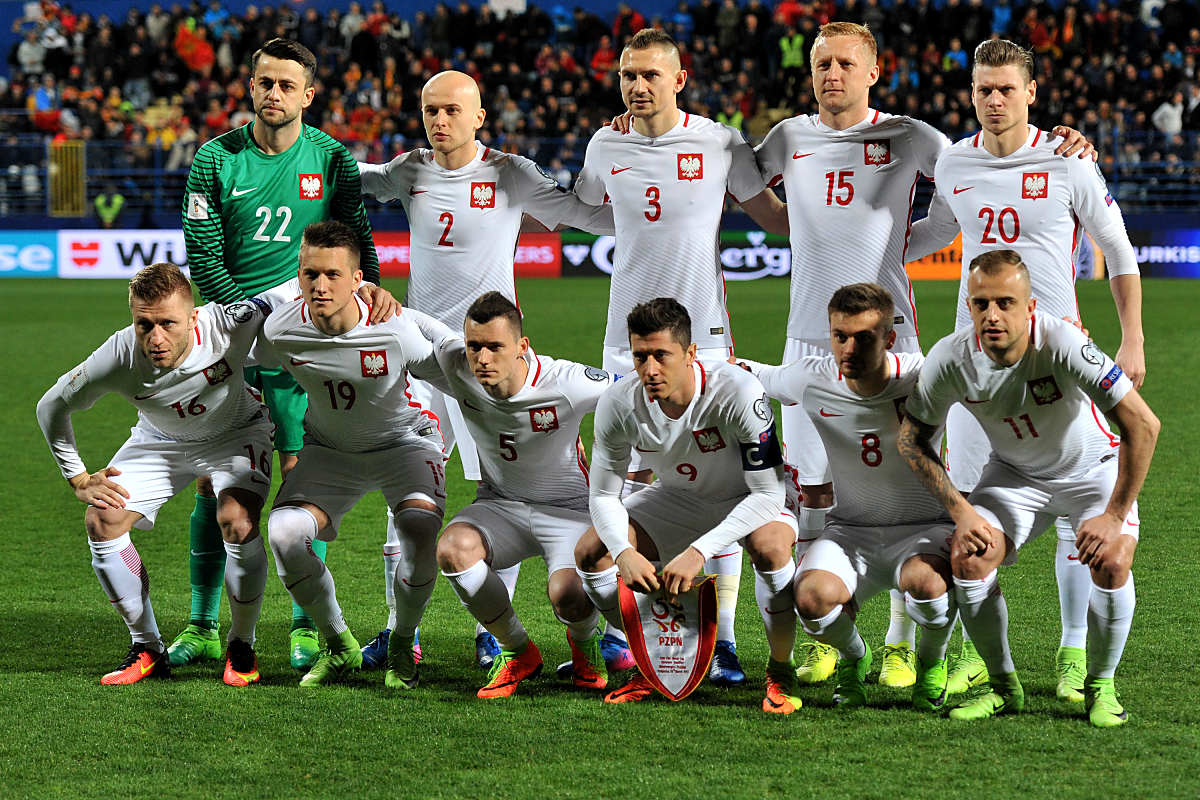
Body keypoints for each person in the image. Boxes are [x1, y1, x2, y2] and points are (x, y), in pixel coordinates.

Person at [754, 21, 1093, 690]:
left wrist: (1059, 140)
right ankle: (831, 631)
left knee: (915, 493)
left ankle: (900, 642)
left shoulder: (911, 136)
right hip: (806, 339)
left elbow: (985, 166)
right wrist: (792, 226)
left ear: (872, 72)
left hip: (893, 341)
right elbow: (730, 178)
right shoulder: (789, 137)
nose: (831, 75)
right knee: (816, 491)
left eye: (846, 64)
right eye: (822, 64)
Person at [357, 70, 623, 673]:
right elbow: (358, 183)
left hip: (489, 366)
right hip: (427, 366)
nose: (438, 121)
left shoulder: (511, 173)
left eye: (452, 110)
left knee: (497, 490)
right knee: (409, 501)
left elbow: (590, 216)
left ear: (480, 117)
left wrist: (614, 160)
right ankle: (404, 632)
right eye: (429, 110)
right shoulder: (411, 170)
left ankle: (493, 633)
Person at [905, 38, 1145, 701]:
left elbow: (1117, 250)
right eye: (983, 88)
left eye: (1007, 88)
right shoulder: (954, 161)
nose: (994, 98)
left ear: (1031, 92)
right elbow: (935, 229)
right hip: (977, 370)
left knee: (1080, 512)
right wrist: (869, 240)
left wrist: (1134, 340)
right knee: (975, 518)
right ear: (972, 91)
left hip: (1061, 359)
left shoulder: (1068, 161)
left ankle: (1073, 655)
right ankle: (979, 659)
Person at [574, 28, 790, 687]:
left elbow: (773, 215)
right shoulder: (604, 143)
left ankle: (719, 641)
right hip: (625, 345)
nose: (637, 86)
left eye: (649, 75)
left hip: (709, 344)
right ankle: (635, 635)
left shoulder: (720, 143)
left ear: (680, 78)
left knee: (716, 486)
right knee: (634, 489)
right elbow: (585, 207)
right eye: (627, 76)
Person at [179, 37, 397, 672]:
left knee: (305, 483)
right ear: (251, 86)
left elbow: (354, 239)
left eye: (285, 85)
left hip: (306, 347)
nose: (273, 94)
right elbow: (203, 249)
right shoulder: (215, 159)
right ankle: (202, 623)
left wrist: (372, 287)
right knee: (212, 485)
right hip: (234, 344)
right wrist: (250, 321)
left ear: (307, 95)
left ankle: (305, 623)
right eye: (263, 83)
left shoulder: (331, 158)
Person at [898, 251, 1159, 727]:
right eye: (980, 304)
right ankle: (1003, 686)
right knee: (968, 555)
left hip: (1090, 470)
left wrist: (1114, 515)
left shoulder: (1062, 341)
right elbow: (911, 441)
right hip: (1016, 476)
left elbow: (1143, 423)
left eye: (1005, 302)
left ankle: (1100, 685)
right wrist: (961, 511)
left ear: (1030, 306)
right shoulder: (951, 358)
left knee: (1112, 560)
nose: (991, 315)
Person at [35, 263, 275, 687]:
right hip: (160, 440)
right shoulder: (120, 354)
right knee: (101, 519)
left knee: (236, 521)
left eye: (167, 323)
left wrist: (364, 287)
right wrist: (78, 478)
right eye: (143, 324)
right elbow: (51, 406)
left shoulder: (228, 324)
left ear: (194, 317)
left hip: (235, 433)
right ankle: (147, 646)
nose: (155, 337)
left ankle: (242, 644)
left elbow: (291, 291)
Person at [574, 298, 801, 714]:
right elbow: (604, 496)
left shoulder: (738, 391)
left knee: (771, 548)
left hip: (749, 498)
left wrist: (699, 552)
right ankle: (650, 663)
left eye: (661, 355)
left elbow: (769, 493)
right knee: (593, 553)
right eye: (640, 356)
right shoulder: (619, 402)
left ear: (690, 353)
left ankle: (779, 671)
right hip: (679, 496)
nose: (649, 369)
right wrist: (625, 554)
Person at [738, 283, 956, 710]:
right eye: (840, 336)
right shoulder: (812, 377)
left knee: (929, 589)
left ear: (890, 338)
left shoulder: (924, 374)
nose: (848, 349)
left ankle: (931, 664)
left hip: (923, 530)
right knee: (810, 602)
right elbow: (750, 372)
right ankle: (855, 658)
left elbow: (991, 375)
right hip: (851, 532)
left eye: (864, 338)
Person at [258, 221, 444, 689]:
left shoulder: (393, 325)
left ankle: (401, 641)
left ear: (358, 278)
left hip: (403, 442)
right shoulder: (280, 329)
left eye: (333, 275)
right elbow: (223, 357)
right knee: (283, 534)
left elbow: (450, 372)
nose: (320, 286)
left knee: (419, 529)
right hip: (330, 450)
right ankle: (339, 644)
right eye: (310, 274)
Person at [405, 291, 614, 698]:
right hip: (499, 504)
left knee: (568, 595)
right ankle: (518, 651)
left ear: (522, 347)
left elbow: (636, 391)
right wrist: (375, 298)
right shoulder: (456, 365)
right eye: (475, 346)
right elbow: (429, 330)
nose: (482, 359)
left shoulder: (565, 381)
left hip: (568, 510)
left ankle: (587, 647)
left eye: (495, 347)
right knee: (453, 549)